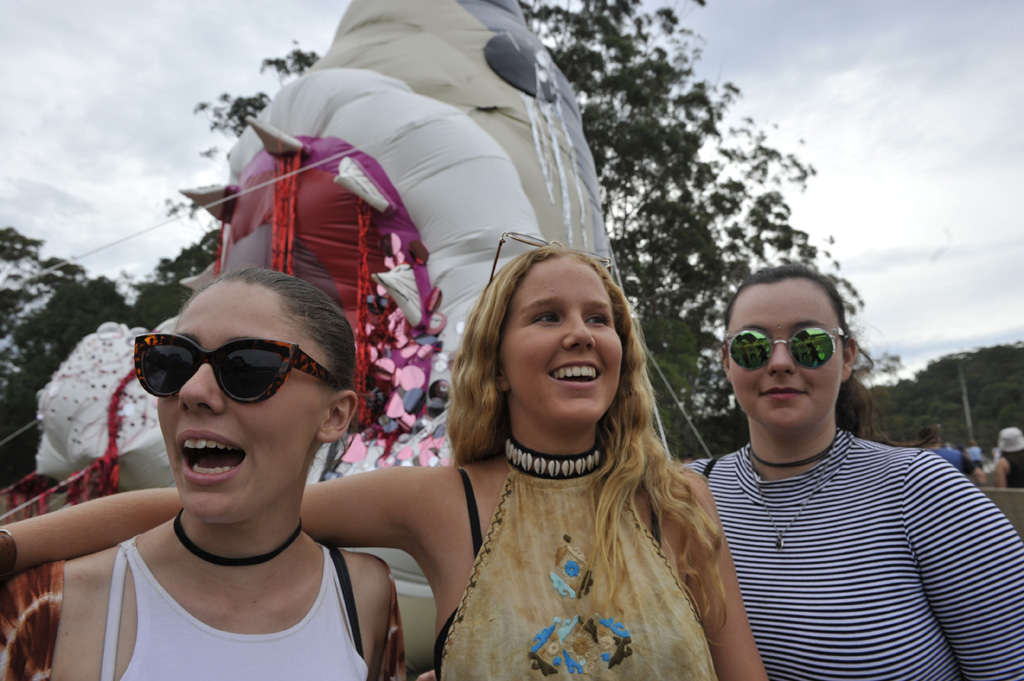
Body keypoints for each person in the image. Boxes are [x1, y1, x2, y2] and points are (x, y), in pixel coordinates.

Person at [1, 244, 766, 680]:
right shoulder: (438, 501)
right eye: (547, 316)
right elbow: (203, 508)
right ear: (495, 365)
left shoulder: (677, 499)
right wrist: (11, 545)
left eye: (599, 319)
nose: (580, 332)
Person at [0, 267, 404, 680]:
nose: (192, 391)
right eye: (172, 362)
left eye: (248, 367)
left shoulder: (365, 594)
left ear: (335, 415)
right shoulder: (49, 607)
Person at [688, 263, 1024, 681]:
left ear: (846, 357)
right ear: (726, 362)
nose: (779, 362)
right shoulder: (686, 497)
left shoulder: (925, 493)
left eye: (808, 343)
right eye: (751, 345)